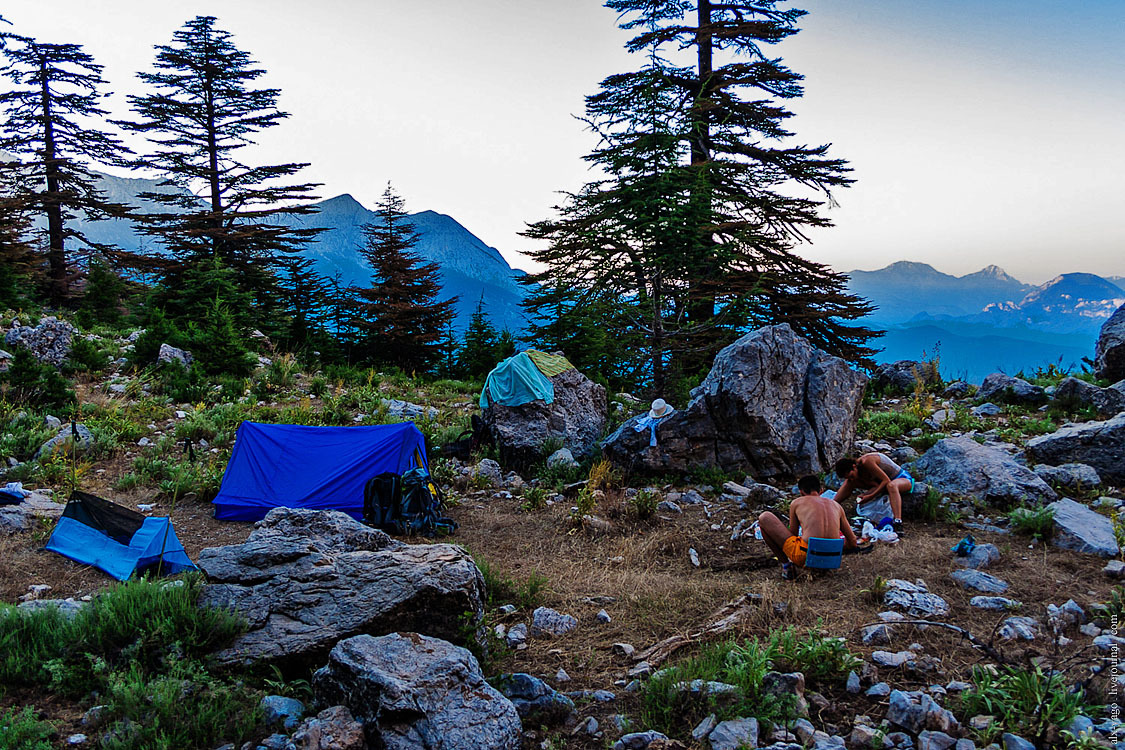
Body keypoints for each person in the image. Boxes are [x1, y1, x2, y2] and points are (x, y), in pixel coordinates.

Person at [758, 475, 861, 580]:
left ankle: (787, 567)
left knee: (764, 518)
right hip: (833, 558)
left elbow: (793, 535)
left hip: (805, 556)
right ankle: (822, 566)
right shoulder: (836, 505)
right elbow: (853, 542)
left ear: (801, 492)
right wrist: (831, 547)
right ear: (821, 491)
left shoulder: (797, 503)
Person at [833, 453, 914, 533]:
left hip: (901, 478)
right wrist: (864, 495)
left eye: (851, 476)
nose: (852, 479)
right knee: (849, 483)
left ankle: (898, 522)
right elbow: (876, 485)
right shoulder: (858, 472)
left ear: (854, 467)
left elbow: (886, 480)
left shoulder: (867, 462)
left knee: (891, 486)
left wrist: (870, 496)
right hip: (883, 485)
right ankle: (831, 507)